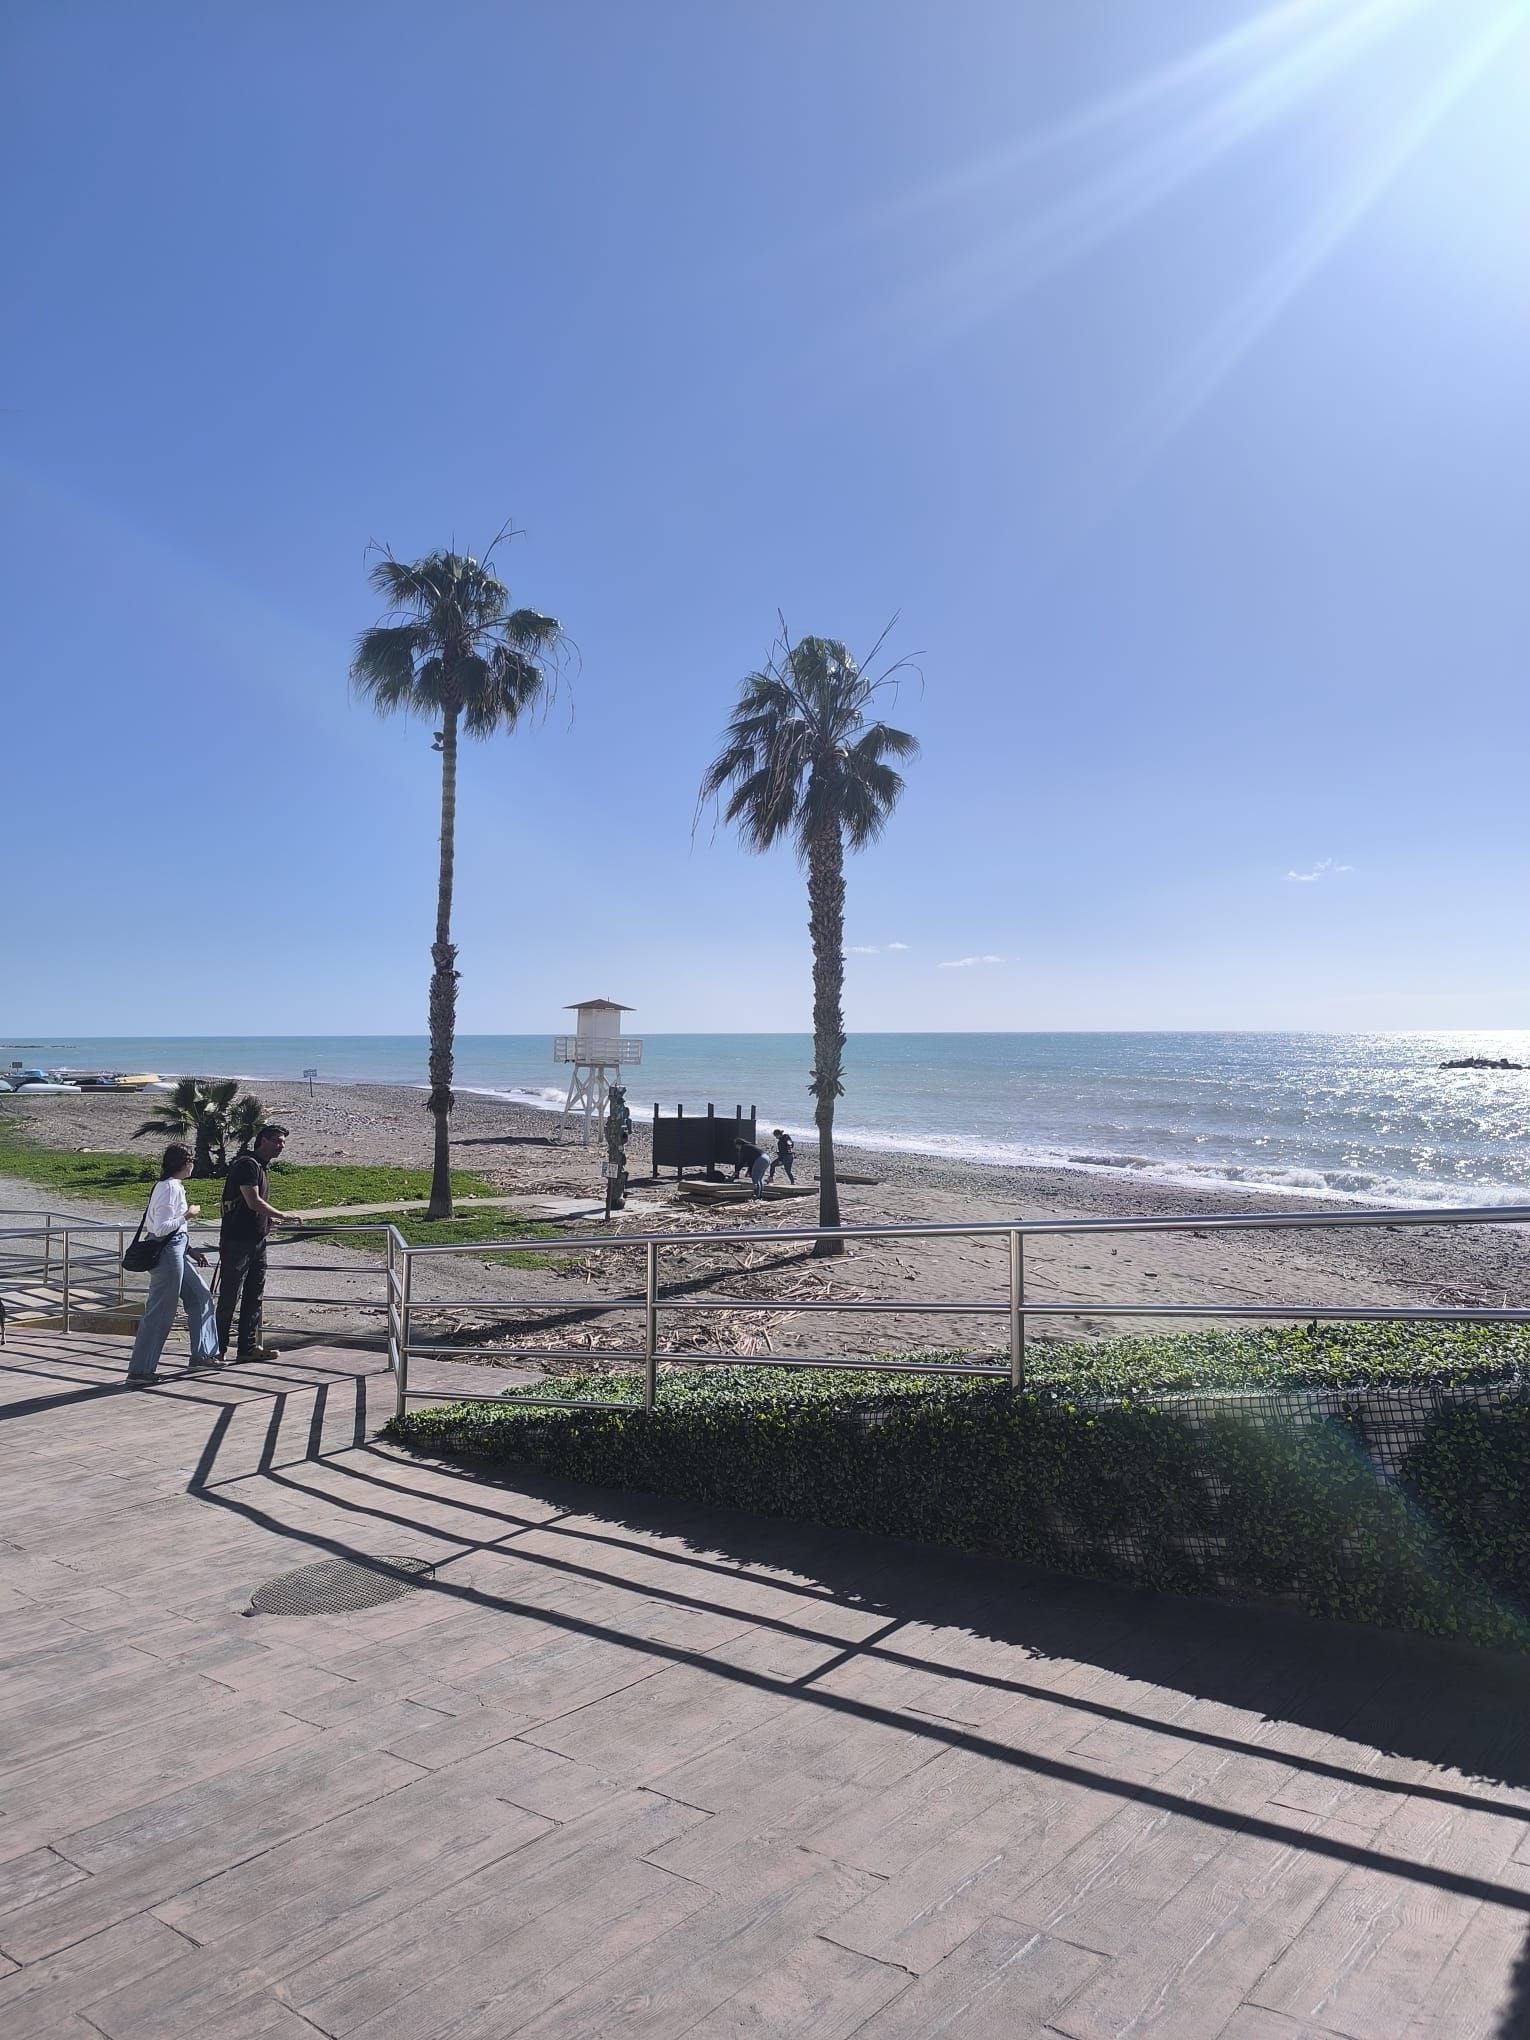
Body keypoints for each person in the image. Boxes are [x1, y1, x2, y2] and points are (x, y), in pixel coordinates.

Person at [124, 1144, 219, 1384]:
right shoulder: (169, 1188)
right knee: (161, 1310)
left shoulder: (168, 1186)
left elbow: (165, 1230)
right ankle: (141, 1370)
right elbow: (160, 1228)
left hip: (176, 1248)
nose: (193, 1166)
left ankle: (203, 1354)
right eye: (192, 1161)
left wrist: (189, 1249)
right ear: (184, 1163)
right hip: (168, 1253)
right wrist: (189, 1214)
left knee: (200, 1296)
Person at [216, 1123, 299, 1361]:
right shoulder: (247, 1165)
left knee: (254, 1297)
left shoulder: (261, 1167)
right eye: (277, 1141)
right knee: (229, 1297)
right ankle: (216, 1350)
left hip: (257, 1240)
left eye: (283, 1141)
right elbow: (252, 1201)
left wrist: (269, 1222)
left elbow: (254, 1207)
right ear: (262, 1140)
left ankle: (247, 1349)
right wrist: (282, 1214)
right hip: (237, 1241)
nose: (281, 1146)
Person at [732, 1135, 770, 1200]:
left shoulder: (744, 1148)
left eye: (736, 1146)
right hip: (766, 1158)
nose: (736, 1148)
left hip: (760, 1159)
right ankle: (760, 1195)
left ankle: (756, 1196)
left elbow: (742, 1161)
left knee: (755, 1179)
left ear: (738, 1144)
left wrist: (737, 1171)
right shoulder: (749, 1147)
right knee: (760, 1179)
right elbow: (751, 1160)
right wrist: (749, 1170)